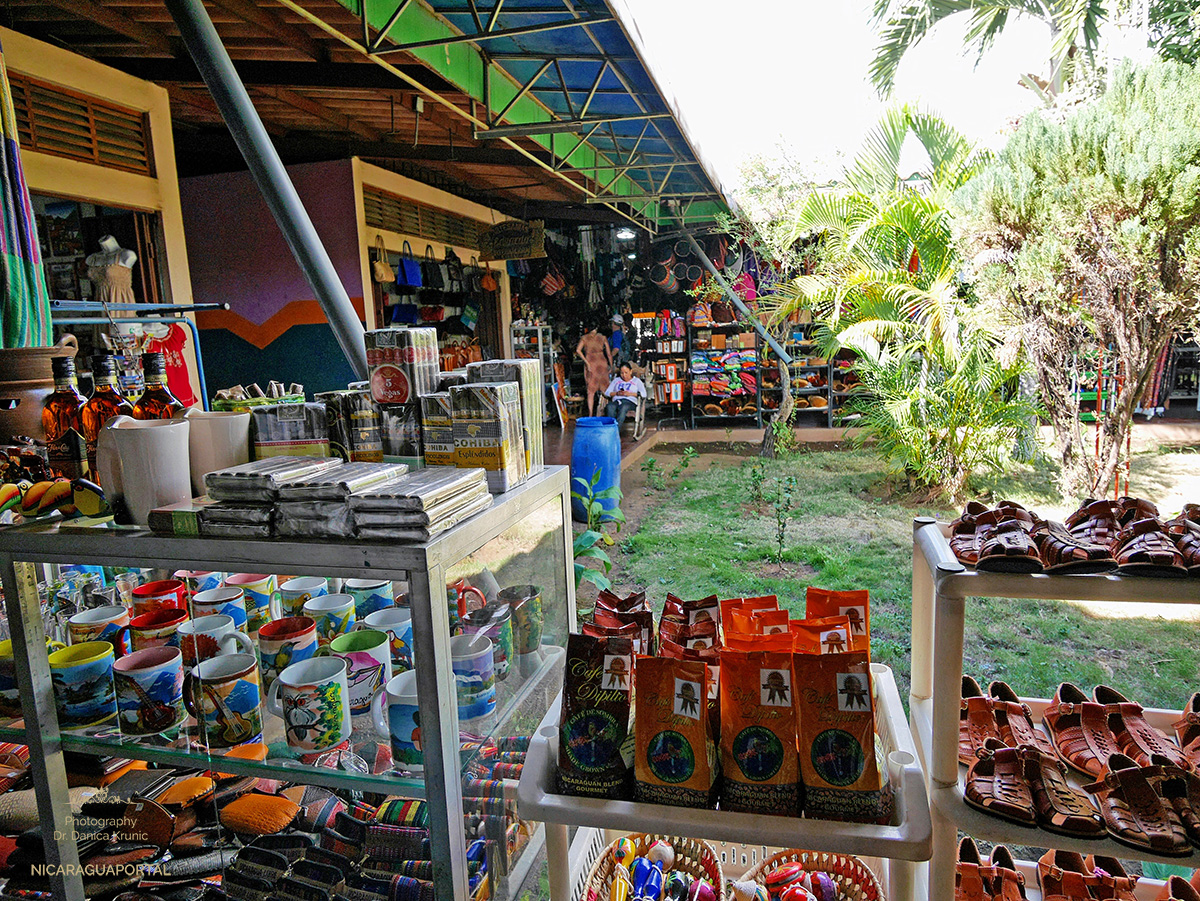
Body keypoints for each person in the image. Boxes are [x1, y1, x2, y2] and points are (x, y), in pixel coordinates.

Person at [575, 325, 612, 416]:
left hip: (591, 363)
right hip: (602, 363)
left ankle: (591, 414)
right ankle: (605, 412)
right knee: (605, 389)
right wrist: (611, 365)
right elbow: (609, 354)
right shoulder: (603, 338)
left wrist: (586, 362)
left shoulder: (584, 338)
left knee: (591, 391)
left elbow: (578, 350)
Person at [604, 363, 646, 428]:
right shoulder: (616, 380)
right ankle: (611, 428)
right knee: (610, 406)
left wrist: (630, 394)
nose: (624, 375)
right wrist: (617, 393)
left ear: (631, 371)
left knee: (624, 407)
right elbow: (607, 393)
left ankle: (615, 431)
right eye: (622, 373)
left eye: (626, 372)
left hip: (630, 402)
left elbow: (644, 394)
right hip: (617, 401)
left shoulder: (637, 381)